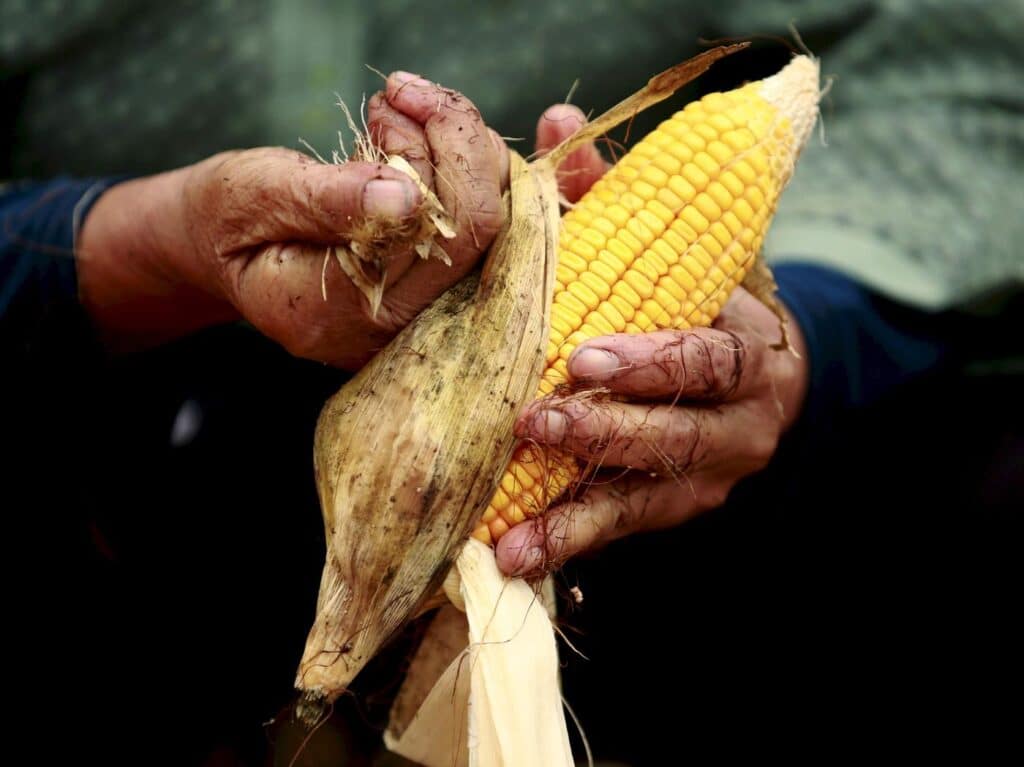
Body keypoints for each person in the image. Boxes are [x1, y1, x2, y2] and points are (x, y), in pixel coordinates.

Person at [3, 1, 1020, 763]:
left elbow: (954, 77)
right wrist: (144, 243)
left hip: (674, 546)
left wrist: (797, 329)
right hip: (81, 445)